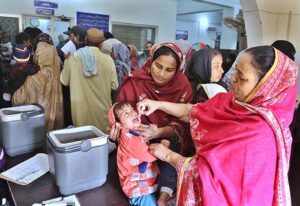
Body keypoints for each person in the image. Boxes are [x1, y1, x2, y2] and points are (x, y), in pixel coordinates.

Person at [137, 46, 298, 205]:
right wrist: (158, 104)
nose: (232, 78)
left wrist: (167, 155)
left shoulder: (258, 134)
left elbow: (205, 181)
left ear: (265, 86)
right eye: (235, 70)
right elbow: (193, 112)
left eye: (242, 77)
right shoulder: (232, 101)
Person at [111, 42, 194, 205]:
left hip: (167, 144)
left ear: (177, 70)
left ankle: (163, 197)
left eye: (169, 70)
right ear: (151, 60)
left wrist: (158, 133)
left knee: (172, 151)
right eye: (158, 66)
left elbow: (184, 125)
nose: (162, 73)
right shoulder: (135, 81)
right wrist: (117, 131)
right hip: (135, 148)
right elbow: (119, 114)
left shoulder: (182, 86)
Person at [60, 28, 118, 133]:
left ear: (86, 40)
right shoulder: (108, 60)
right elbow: (114, 86)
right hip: (102, 112)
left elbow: (64, 81)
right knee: (102, 141)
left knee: (84, 141)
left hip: (80, 113)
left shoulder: (73, 58)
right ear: (101, 44)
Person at [108, 102, 160, 206]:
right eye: (126, 114)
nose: (132, 113)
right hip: (138, 190)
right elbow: (149, 156)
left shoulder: (133, 131)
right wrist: (164, 145)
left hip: (143, 184)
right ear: (119, 124)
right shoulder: (128, 139)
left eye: (132, 110)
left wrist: (153, 129)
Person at [12, 33, 64, 132]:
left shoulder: (32, 76)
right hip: (53, 118)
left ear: (38, 53)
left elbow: (18, 99)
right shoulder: (57, 72)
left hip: (37, 125)